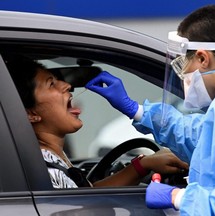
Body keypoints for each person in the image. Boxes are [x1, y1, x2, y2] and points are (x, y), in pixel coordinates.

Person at [84, 4, 215, 216]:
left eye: (183, 63)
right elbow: (204, 139)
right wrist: (136, 110)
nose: (183, 74)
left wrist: (177, 197)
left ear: (202, 58)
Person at [6, 56, 189, 189]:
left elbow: (88, 195)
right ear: (30, 113)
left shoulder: (49, 157)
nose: (67, 86)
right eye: (51, 84)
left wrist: (143, 165)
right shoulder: (45, 168)